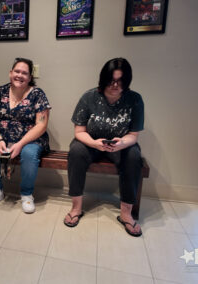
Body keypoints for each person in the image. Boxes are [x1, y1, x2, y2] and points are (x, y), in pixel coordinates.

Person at [64, 58, 144, 237]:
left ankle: (126, 213)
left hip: (121, 145)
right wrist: (94, 143)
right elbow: (79, 131)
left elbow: (134, 135)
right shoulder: (89, 97)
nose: (115, 85)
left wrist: (121, 143)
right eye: (111, 80)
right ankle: (76, 208)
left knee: (134, 156)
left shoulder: (135, 99)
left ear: (127, 81)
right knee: (76, 151)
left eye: (120, 81)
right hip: (91, 143)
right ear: (103, 79)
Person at [0, 57, 51, 213]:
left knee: (28, 153)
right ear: (10, 73)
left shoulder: (38, 95)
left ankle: (27, 194)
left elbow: (41, 125)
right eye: (17, 71)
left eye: (24, 73)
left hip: (30, 139)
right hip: (0, 137)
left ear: (30, 77)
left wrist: (20, 144)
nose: (20, 75)